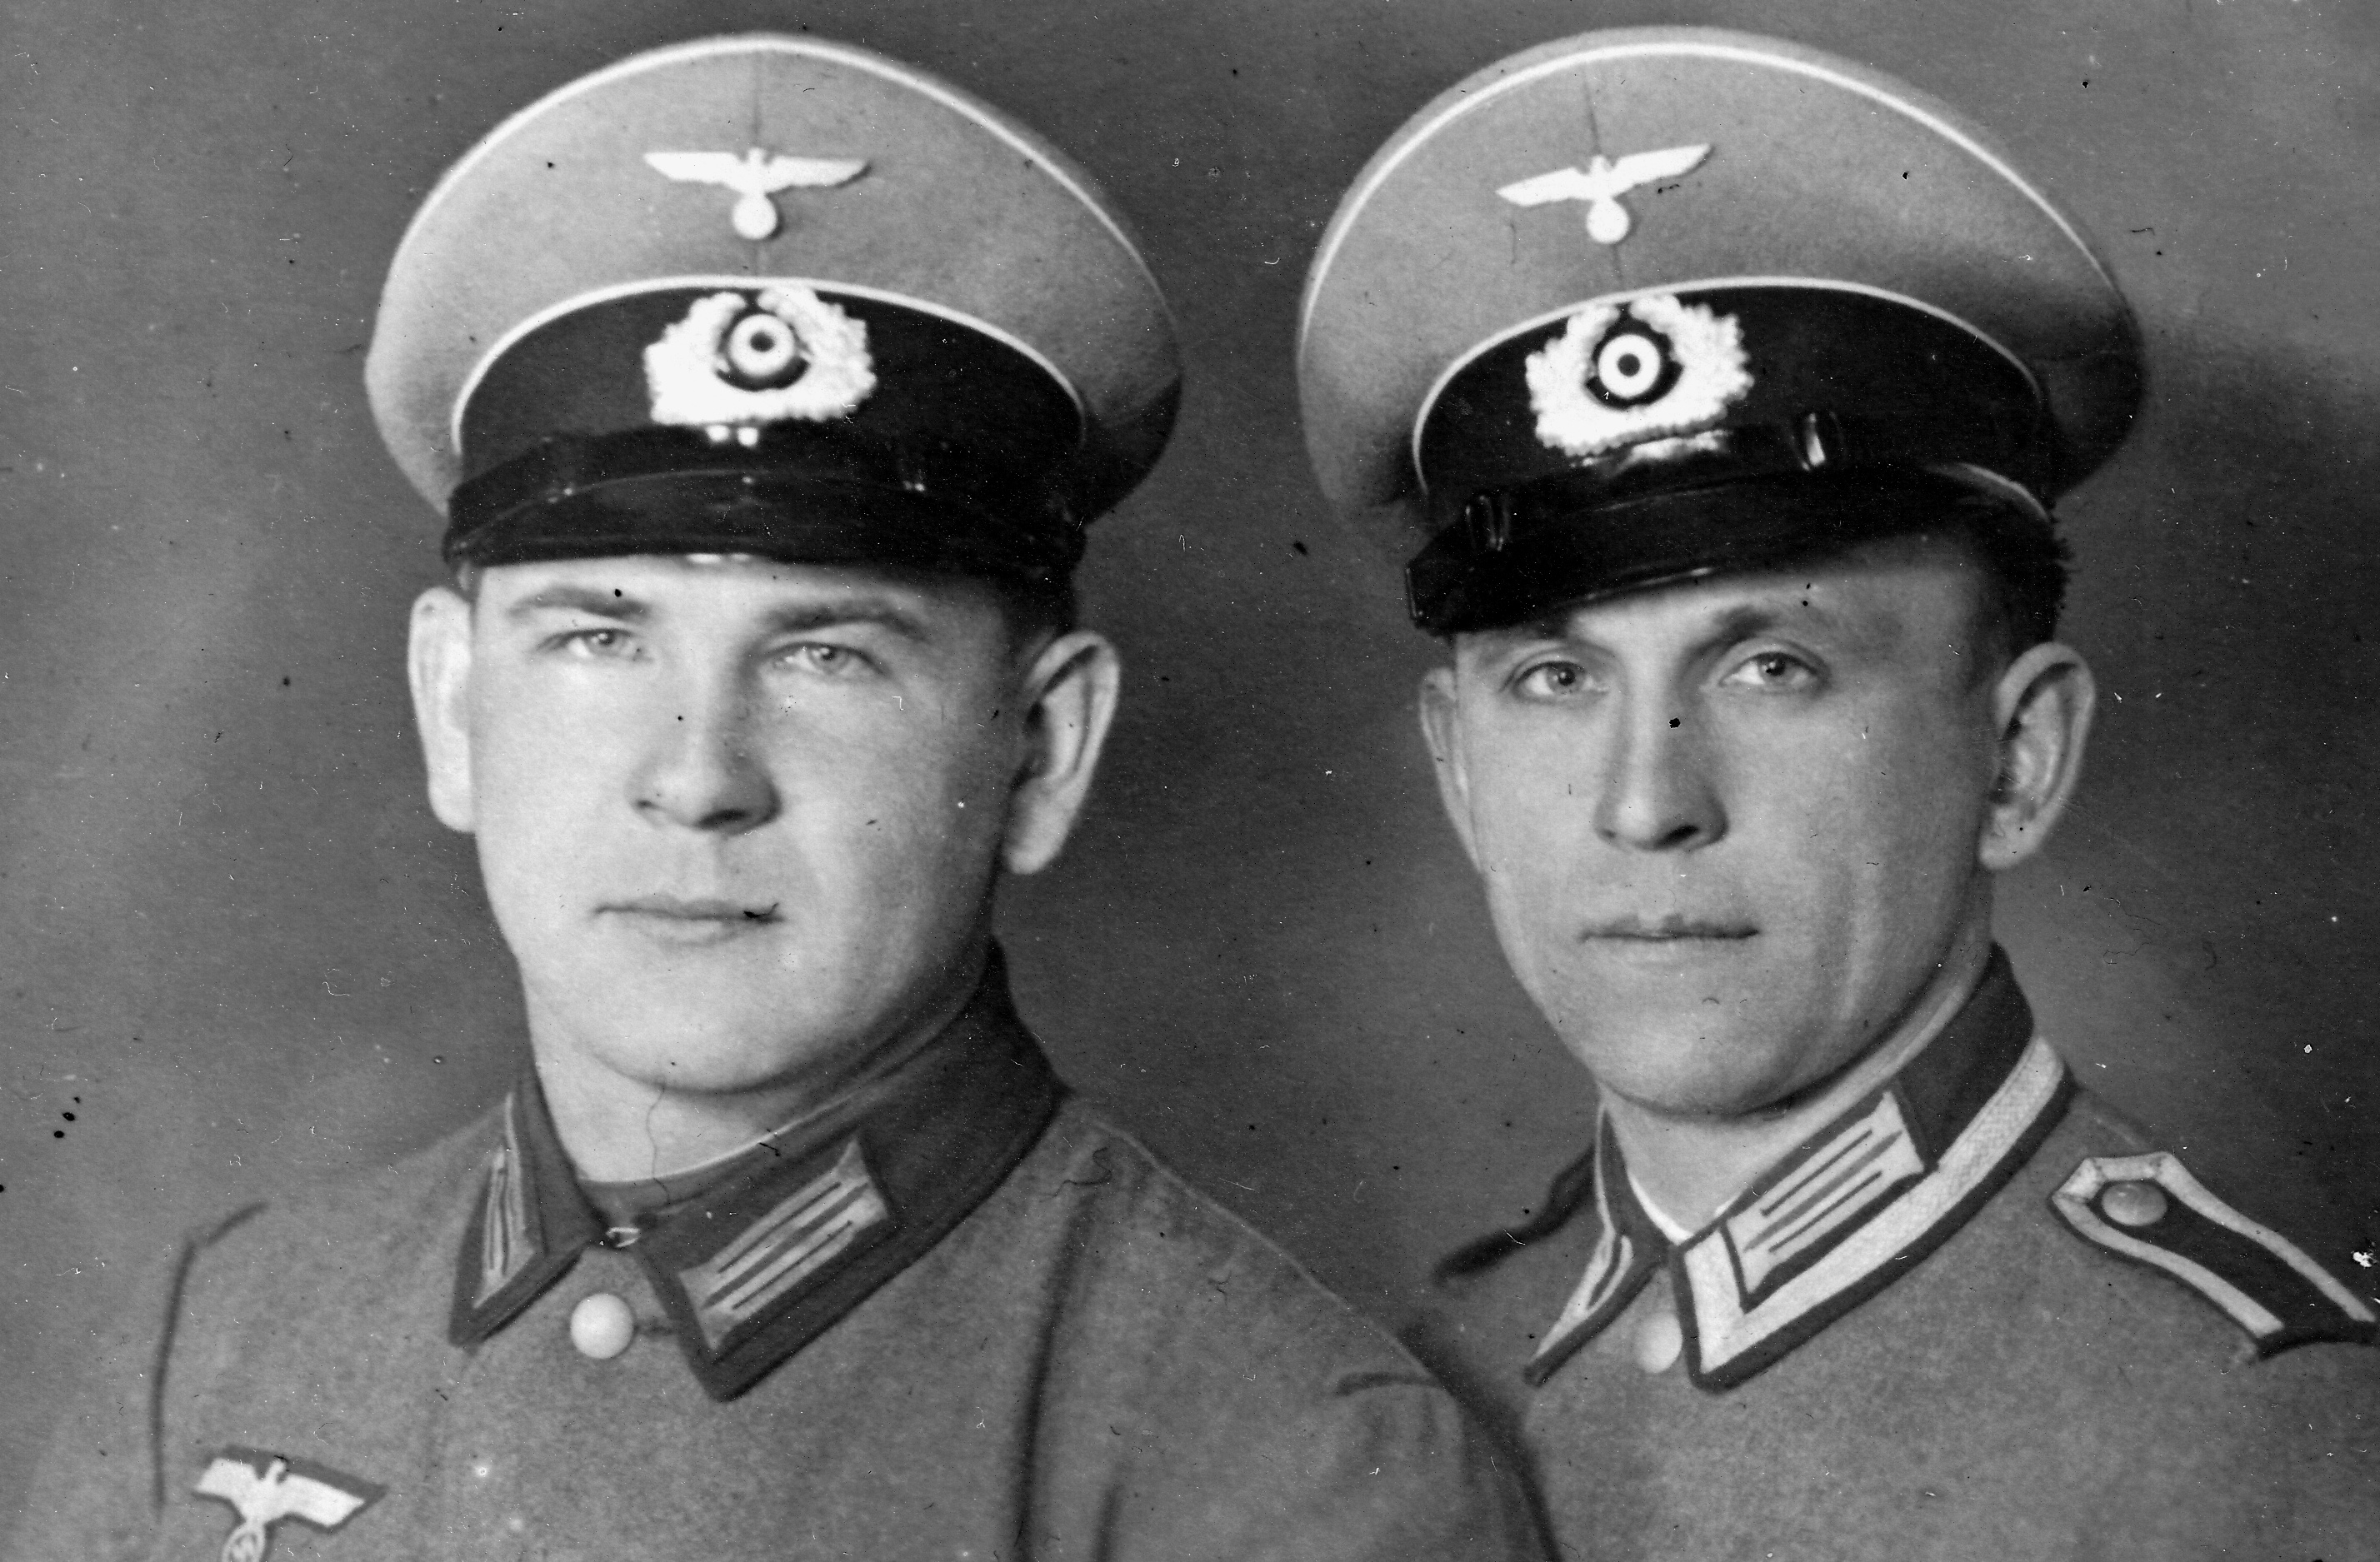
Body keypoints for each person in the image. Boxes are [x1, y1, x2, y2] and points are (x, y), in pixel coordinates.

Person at [10, 34, 1539, 1562]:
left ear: (1041, 748)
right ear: (454, 707)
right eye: (599, 639)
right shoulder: (217, 1348)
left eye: (826, 655)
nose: (696, 778)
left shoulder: (1289, 1466)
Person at [1296, 26, 2380, 1558]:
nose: (1644, 802)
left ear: (2018, 758)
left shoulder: (2241, 1452)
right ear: (1458, 773)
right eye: (1554, 677)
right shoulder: (1441, 1369)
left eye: (1772, 667)